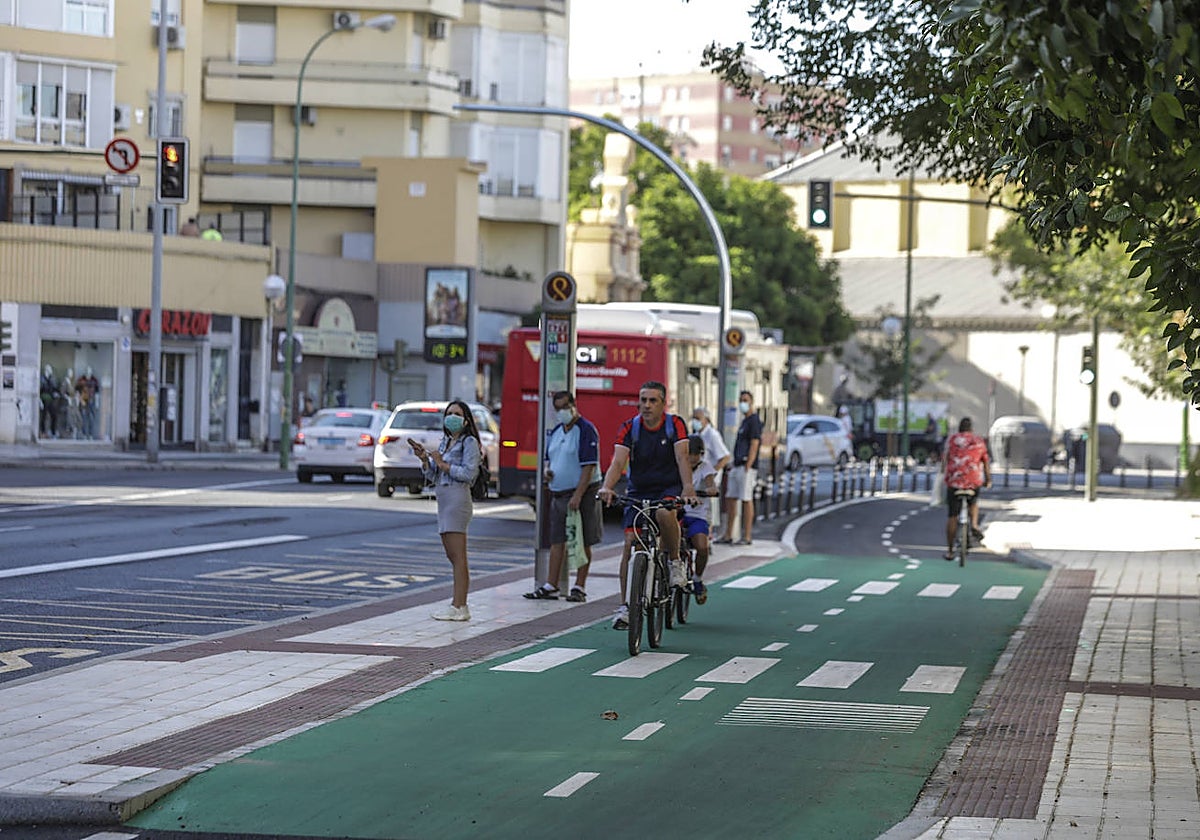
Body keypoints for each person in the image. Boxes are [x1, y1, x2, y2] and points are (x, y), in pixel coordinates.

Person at [598, 380, 696, 631]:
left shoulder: (675, 425)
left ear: (663, 403)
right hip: (639, 489)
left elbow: (682, 457)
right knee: (630, 544)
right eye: (643, 400)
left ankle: (674, 564)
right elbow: (618, 462)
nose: (646, 405)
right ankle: (626, 606)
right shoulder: (630, 428)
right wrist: (607, 487)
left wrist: (687, 488)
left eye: (652, 400)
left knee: (665, 513)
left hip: (668, 488)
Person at [524, 391, 601, 602]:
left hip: (582, 493)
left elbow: (588, 467)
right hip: (558, 492)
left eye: (565, 406)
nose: (562, 412)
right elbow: (552, 459)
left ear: (573, 405)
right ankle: (551, 584)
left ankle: (580, 586)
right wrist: (549, 474)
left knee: (582, 539)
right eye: (558, 408)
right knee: (557, 539)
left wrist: (578, 494)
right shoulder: (558, 431)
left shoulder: (586, 430)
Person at [412, 399, 482, 620]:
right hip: (443, 498)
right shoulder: (446, 442)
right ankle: (457, 603)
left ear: (466, 419)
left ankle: (460, 605)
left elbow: (469, 474)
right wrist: (426, 460)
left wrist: (442, 464)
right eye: (449, 413)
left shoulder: (468, 442)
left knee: (458, 556)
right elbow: (434, 475)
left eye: (457, 414)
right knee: (451, 555)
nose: (452, 417)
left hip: (457, 498)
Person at [715, 390, 762, 546]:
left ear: (751, 402)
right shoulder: (744, 421)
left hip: (746, 466)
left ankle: (747, 536)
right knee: (731, 498)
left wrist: (749, 463)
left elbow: (754, 443)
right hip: (737, 465)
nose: (743, 402)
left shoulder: (754, 420)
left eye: (745, 400)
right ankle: (728, 534)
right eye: (741, 399)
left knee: (746, 499)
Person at [942, 416, 992, 560]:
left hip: (954, 481)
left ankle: (950, 551)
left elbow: (944, 460)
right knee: (974, 501)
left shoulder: (952, 440)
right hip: (973, 480)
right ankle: (975, 524)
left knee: (952, 515)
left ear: (959, 428)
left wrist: (944, 475)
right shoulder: (978, 441)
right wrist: (988, 480)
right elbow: (986, 463)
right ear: (971, 429)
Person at [681, 434, 719, 604]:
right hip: (678, 512)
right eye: (688, 454)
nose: (692, 458)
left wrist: (710, 490)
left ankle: (697, 578)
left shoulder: (706, 468)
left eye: (696, 454)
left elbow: (711, 484)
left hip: (698, 516)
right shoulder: (679, 466)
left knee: (702, 547)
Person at [689, 406, 731, 532]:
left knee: (708, 513)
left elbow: (725, 457)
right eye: (694, 418)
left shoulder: (712, 435)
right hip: (696, 479)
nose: (695, 421)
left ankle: (708, 538)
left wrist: (712, 473)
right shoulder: (696, 435)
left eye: (698, 418)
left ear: (706, 419)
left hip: (708, 481)